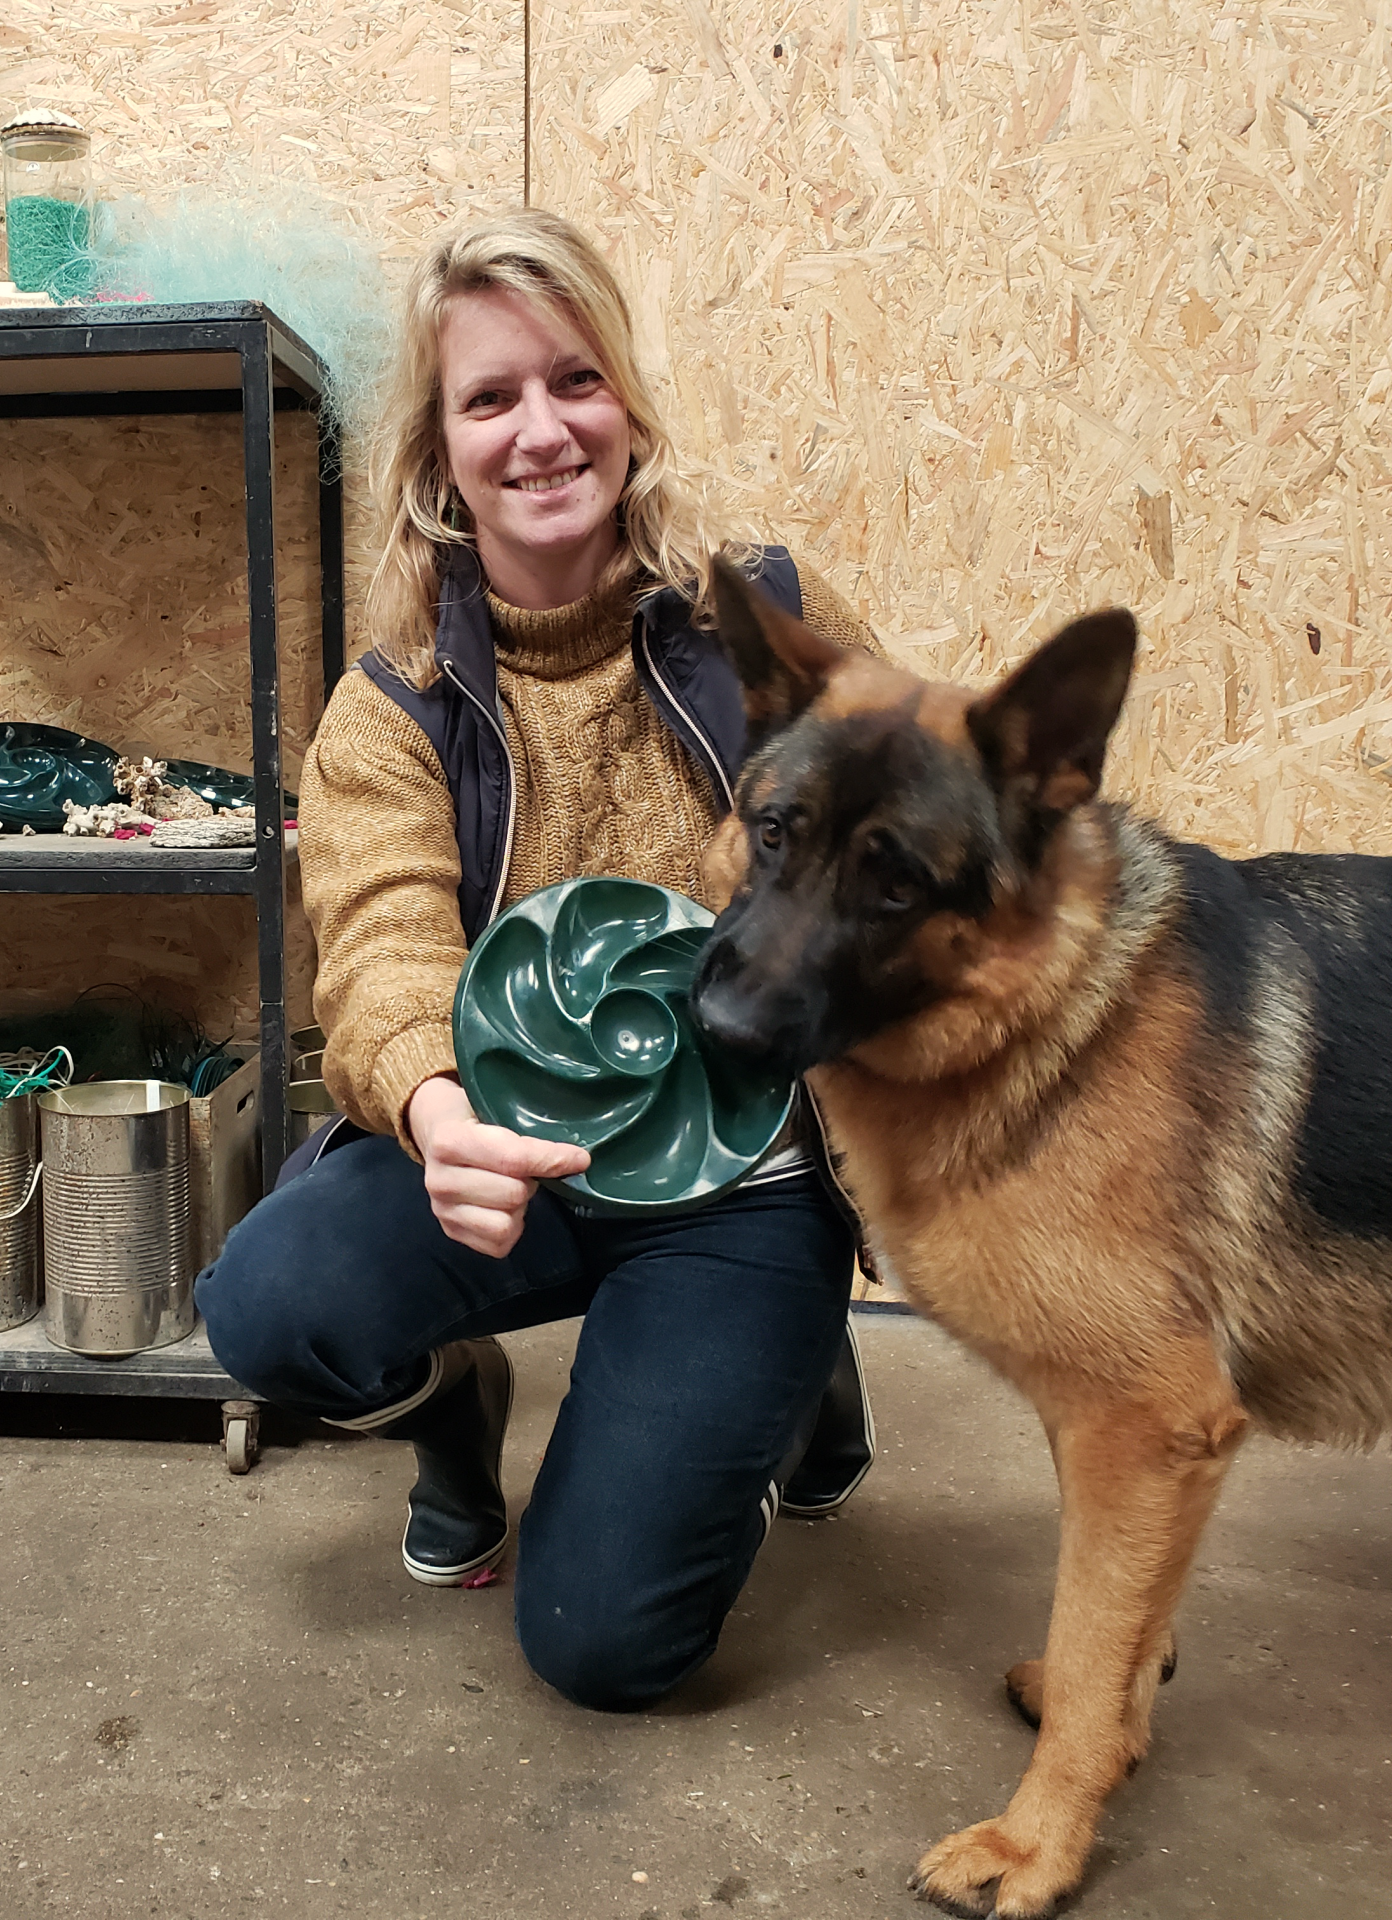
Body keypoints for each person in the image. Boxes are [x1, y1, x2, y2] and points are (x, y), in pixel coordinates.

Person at [196, 209, 882, 1711]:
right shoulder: (395, 705)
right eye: (489, 397)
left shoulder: (765, 613)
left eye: (574, 380)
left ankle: (796, 1349)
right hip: (517, 1157)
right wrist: (441, 1121)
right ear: (440, 456)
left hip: (742, 1182)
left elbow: (894, 818)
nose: (541, 430)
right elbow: (382, 940)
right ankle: (456, 1407)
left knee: (606, 1646)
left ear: (627, 405)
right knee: (268, 1308)